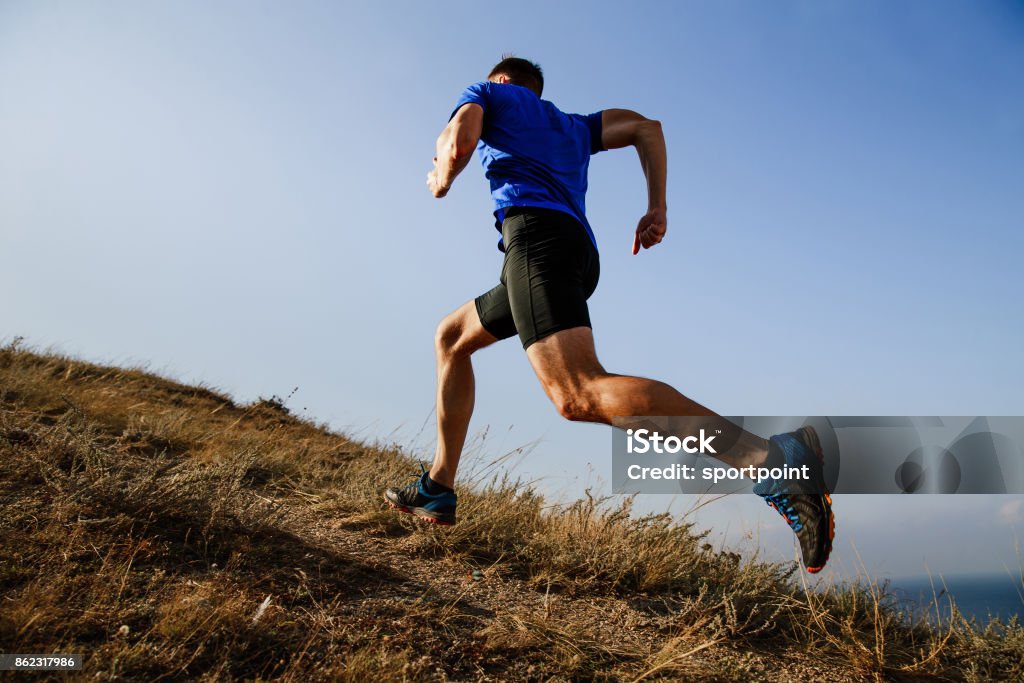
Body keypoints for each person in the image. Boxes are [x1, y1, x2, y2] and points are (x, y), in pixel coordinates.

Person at [385, 57, 835, 572]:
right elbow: (648, 128)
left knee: (576, 393)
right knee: (452, 337)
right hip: (573, 252)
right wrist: (657, 205)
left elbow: (458, 140)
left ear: (502, 81)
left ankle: (772, 462)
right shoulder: (575, 126)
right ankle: (439, 487)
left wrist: (442, 175)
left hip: (537, 244)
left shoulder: (489, 93)